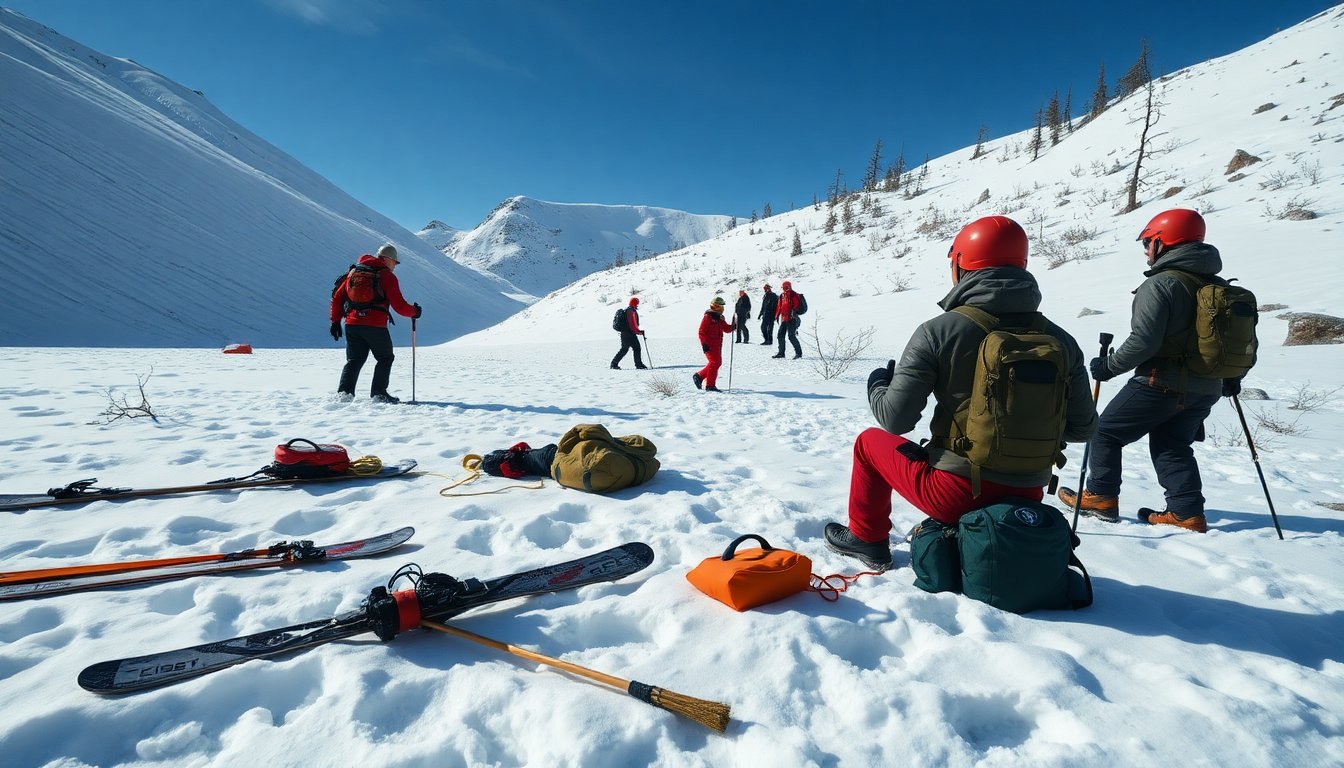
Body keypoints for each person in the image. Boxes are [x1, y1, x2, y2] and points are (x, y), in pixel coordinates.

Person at [824, 216, 1098, 569]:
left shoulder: (939, 331)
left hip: (954, 495)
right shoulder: (1061, 339)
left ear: (960, 265)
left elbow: (895, 419)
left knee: (869, 443)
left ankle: (867, 539)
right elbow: (1082, 429)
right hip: (1030, 495)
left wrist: (878, 385)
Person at [1058, 209, 1238, 533]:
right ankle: (1187, 513)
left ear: (1162, 242)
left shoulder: (1162, 284)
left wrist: (1108, 367)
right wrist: (1230, 379)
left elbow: (1144, 341)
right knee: (1172, 444)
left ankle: (1101, 496)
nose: (1144, 249)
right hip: (1207, 388)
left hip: (1160, 383)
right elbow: (1238, 341)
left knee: (1104, 431)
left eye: (1147, 241)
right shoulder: (1218, 287)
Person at [331, 244, 421, 403]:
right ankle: (379, 394)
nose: (395, 266)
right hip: (374, 325)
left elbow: (338, 297)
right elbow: (399, 306)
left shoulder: (354, 272)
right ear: (387, 259)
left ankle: (344, 394)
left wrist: (335, 321)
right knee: (385, 357)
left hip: (352, 324)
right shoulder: (386, 276)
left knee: (354, 360)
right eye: (395, 262)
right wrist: (415, 312)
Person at [693, 296, 736, 392]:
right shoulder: (708, 316)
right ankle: (710, 385)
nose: (722, 308)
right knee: (715, 362)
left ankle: (699, 376)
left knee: (716, 363)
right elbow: (701, 331)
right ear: (715, 306)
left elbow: (726, 329)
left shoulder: (719, 318)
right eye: (720, 306)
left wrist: (734, 324)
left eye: (722, 306)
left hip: (718, 345)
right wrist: (704, 343)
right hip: (709, 344)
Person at [610, 297, 647, 370]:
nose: (638, 304)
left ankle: (614, 364)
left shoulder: (628, 310)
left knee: (624, 349)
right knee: (636, 348)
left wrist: (637, 331)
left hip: (625, 333)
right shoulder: (631, 311)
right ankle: (638, 364)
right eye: (637, 303)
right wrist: (638, 332)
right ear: (635, 303)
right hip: (629, 333)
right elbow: (632, 324)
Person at [772, 280, 803, 359]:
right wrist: (776, 316)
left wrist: (793, 312)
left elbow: (796, 305)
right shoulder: (782, 296)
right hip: (784, 319)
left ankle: (798, 353)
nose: (785, 289)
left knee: (791, 336)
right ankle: (781, 353)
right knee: (780, 335)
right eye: (784, 287)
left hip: (792, 319)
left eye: (786, 287)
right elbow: (779, 307)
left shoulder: (793, 294)